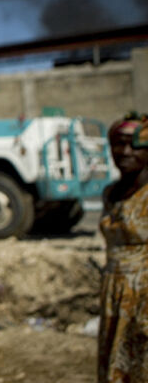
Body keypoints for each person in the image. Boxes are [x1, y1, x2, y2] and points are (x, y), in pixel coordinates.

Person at [99, 112, 148, 382]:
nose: (126, 152)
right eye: (119, 143)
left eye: (135, 145)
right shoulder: (109, 194)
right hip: (114, 293)